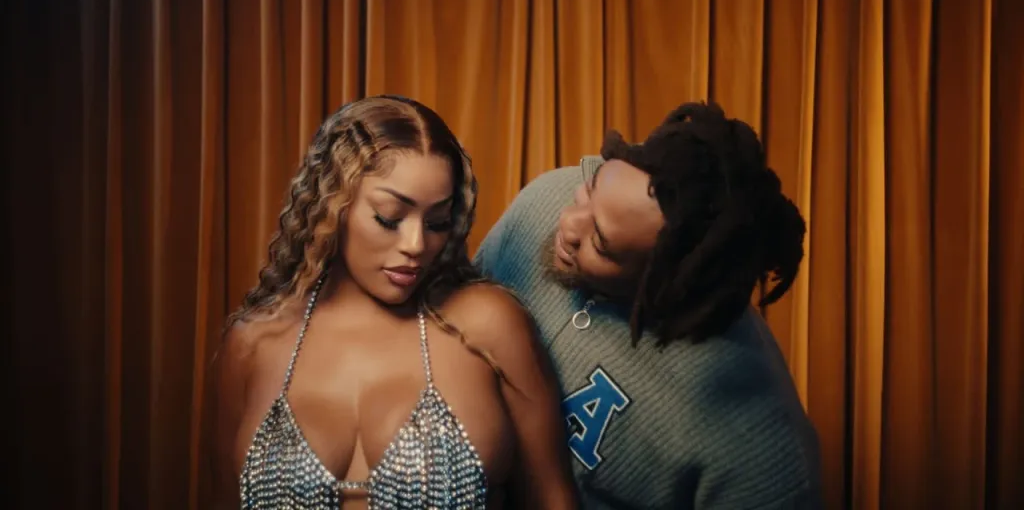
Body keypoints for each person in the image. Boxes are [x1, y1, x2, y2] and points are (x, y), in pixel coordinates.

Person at [213, 95, 578, 509]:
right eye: (389, 218)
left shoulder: (488, 326)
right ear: (333, 206)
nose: (416, 244)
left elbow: (554, 500)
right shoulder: (253, 345)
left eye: (437, 222)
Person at [474, 101, 823, 509]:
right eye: (590, 189)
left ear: (667, 286)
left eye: (600, 243)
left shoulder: (761, 446)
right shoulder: (545, 201)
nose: (567, 223)